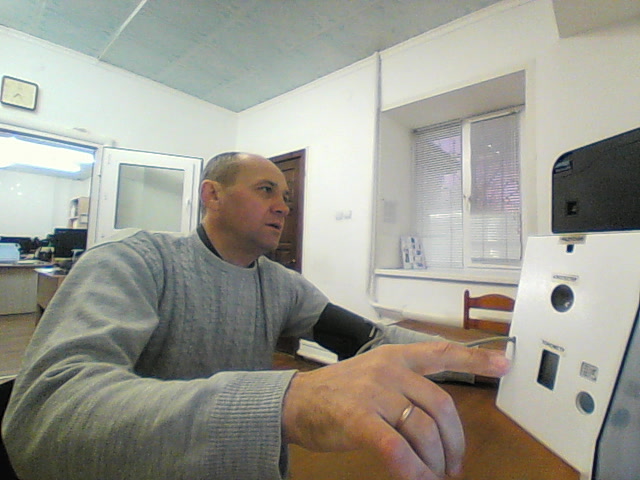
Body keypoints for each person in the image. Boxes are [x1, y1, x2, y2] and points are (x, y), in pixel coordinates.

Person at [2, 152, 509, 480]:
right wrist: (285, 403)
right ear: (212, 195)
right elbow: (42, 419)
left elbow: (369, 340)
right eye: (266, 190)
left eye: (285, 197)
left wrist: (484, 361)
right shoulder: (134, 261)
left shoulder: (281, 284)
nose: (283, 207)